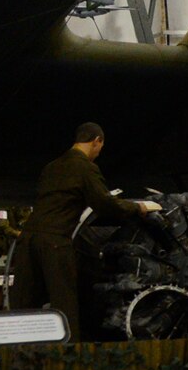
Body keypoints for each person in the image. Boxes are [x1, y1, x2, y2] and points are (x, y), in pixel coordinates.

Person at [12, 123, 160, 343]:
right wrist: (139, 208)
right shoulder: (85, 167)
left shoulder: (51, 167)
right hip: (55, 241)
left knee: (24, 303)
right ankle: (69, 359)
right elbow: (104, 205)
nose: (99, 152)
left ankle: (18, 353)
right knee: (65, 305)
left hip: (28, 240)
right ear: (97, 141)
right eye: (100, 146)